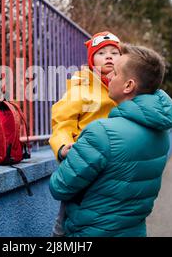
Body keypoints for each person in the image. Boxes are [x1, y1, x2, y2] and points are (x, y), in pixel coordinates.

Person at [49, 44, 172, 237]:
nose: (108, 77)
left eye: (115, 73)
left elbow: (60, 186)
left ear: (129, 85)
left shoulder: (100, 133)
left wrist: (74, 153)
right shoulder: (160, 132)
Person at [49, 31, 122, 236]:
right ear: (91, 61)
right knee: (69, 216)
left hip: (114, 164)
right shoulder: (80, 89)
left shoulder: (125, 88)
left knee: (110, 218)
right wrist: (63, 147)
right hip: (84, 161)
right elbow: (62, 122)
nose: (109, 56)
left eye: (114, 52)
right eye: (101, 53)